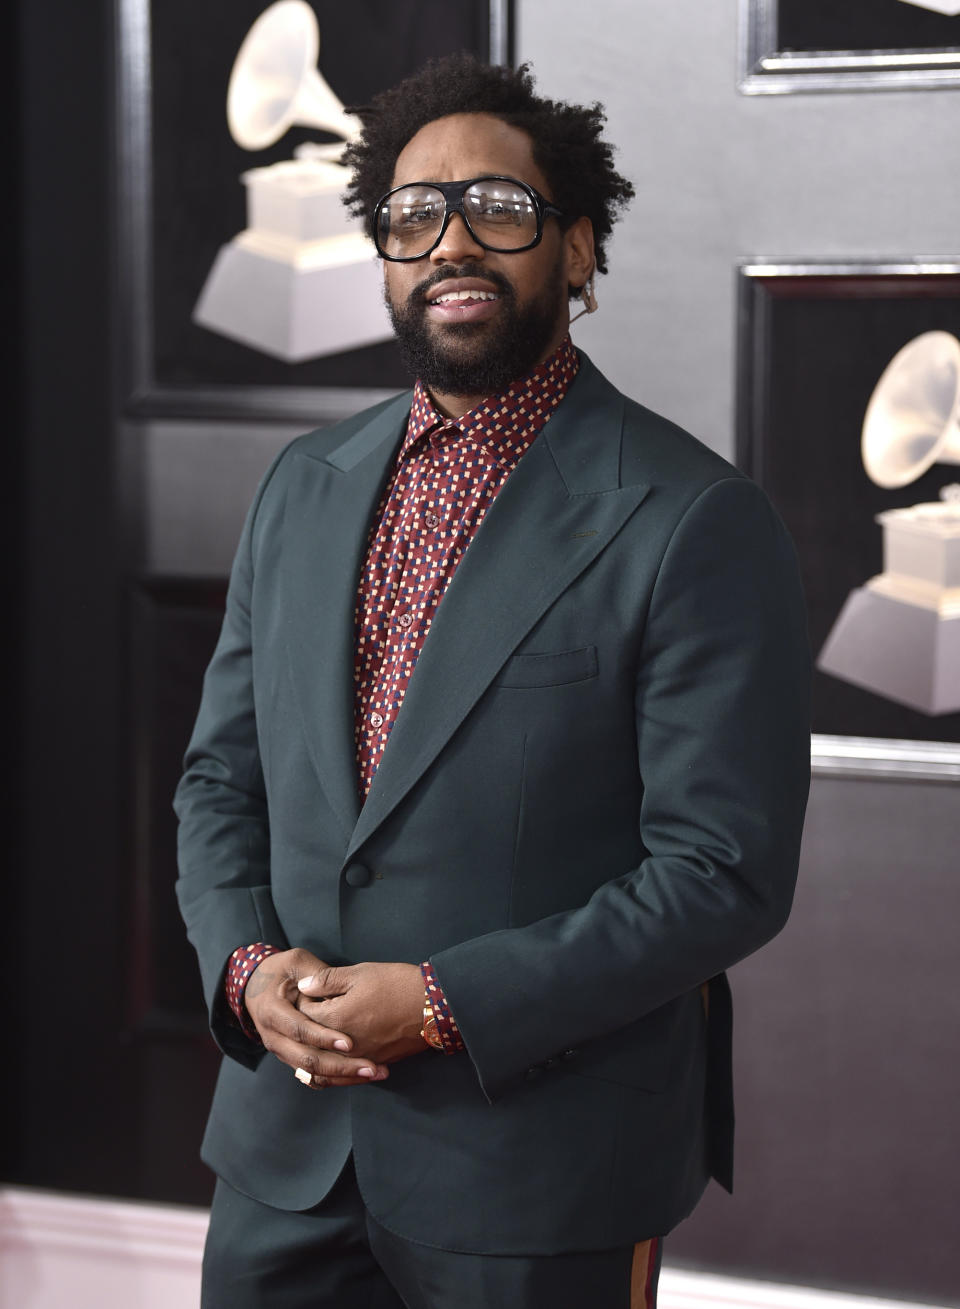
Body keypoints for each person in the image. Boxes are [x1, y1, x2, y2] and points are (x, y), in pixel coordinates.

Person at [175, 53, 811, 1309]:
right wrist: (246, 969)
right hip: (285, 1153)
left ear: (577, 251)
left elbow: (721, 873)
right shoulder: (302, 486)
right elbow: (218, 779)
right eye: (414, 215)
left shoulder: (692, 519)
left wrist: (441, 1000)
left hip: (543, 1169)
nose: (451, 240)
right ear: (385, 256)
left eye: (499, 210)